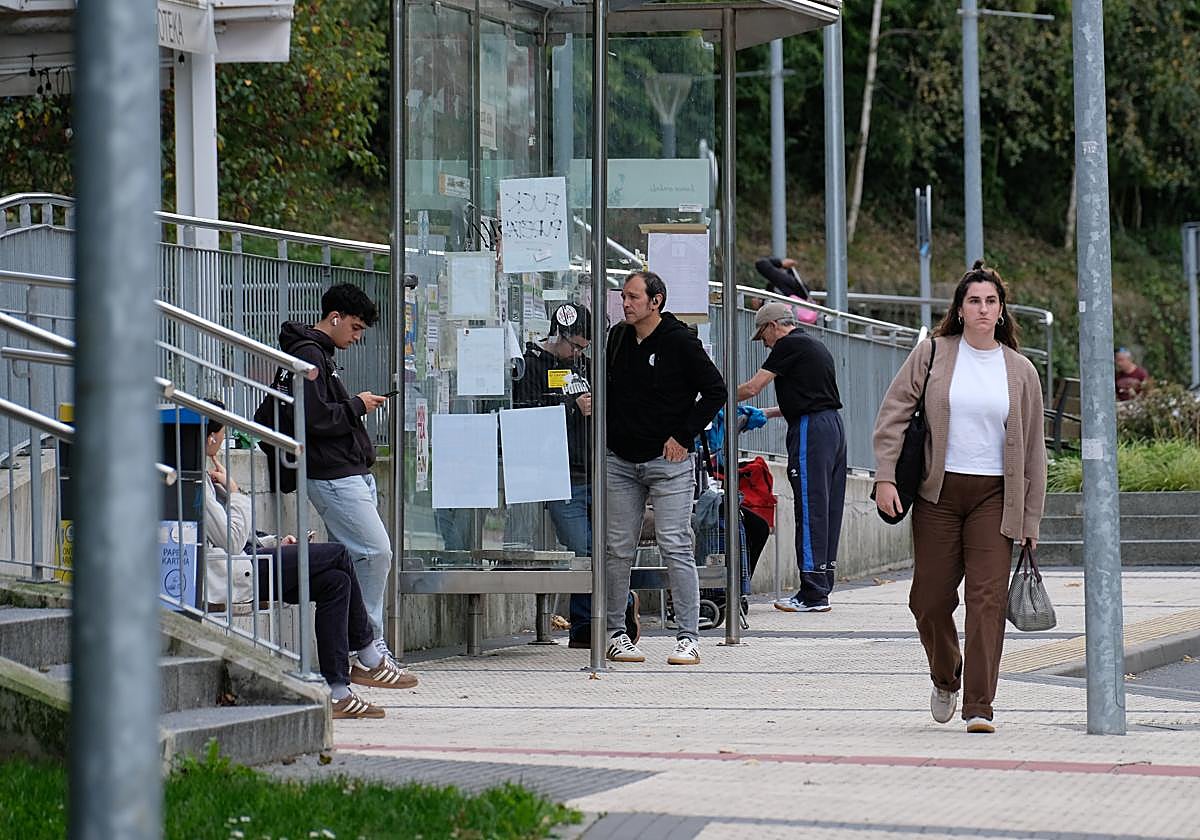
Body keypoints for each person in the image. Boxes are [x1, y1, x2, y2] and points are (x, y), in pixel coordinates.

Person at [872, 260, 1045, 734]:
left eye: (992, 301)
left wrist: (1030, 521)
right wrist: (886, 476)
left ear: (1002, 310)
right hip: (938, 493)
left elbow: (1033, 454)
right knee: (928, 600)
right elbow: (893, 414)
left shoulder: (1021, 371)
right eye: (975, 301)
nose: (983, 309)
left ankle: (980, 706)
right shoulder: (933, 354)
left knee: (986, 600)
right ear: (961, 309)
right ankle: (946, 676)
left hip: (995, 497)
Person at [201, 405, 417, 720]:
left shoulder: (203, 474)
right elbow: (229, 540)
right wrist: (236, 494)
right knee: (339, 555)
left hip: (246, 560)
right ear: (209, 439)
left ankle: (338, 692)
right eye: (222, 435)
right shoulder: (192, 479)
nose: (222, 442)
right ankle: (368, 654)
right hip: (232, 574)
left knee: (335, 582)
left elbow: (233, 537)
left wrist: (274, 542)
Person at [604, 270, 725, 666]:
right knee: (618, 548)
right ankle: (615, 632)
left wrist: (684, 435)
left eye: (634, 297)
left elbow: (716, 391)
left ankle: (688, 636)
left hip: (668, 460)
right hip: (621, 458)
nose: (626, 303)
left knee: (676, 544)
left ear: (656, 301)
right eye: (624, 296)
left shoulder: (679, 342)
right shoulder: (618, 337)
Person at [510, 303, 640, 649]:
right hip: (558, 473)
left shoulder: (585, 365)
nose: (577, 353)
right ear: (558, 335)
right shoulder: (530, 365)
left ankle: (601, 619)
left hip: (595, 468)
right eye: (575, 346)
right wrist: (570, 408)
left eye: (584, 347)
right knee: (582, 549)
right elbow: (523, 418)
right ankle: (598, 617)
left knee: (607, 547)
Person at [278, 283, 395, 665]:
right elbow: (315, 418)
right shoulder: (309, 355)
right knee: (376, 552)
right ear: (335, 317)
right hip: (332, 473)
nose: (357, 336)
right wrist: (356, 406)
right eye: (356, 327)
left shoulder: (319, 355)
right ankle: (367, 645)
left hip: (345, 471)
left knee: (349, 562)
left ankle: (354, 646)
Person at [736, 301, 846, 613]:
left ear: (773, 326)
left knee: (810, 507)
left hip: (812, 430)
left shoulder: (788, 344)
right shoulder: (813, 345)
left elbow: (753, 387)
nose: (766, 343)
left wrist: (717, 396)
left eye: (764, 335)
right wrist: (764, 415)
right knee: (826, 507)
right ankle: (822, 582)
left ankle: (811, 594)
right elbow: (807, 398)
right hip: (832, 427)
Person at [754, 257, 819, 324]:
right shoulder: (800, 287)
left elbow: (761, 264)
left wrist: (781, 263)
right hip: (800, 325)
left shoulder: (785, 281)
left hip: (780, 323)